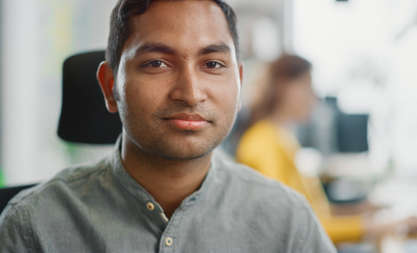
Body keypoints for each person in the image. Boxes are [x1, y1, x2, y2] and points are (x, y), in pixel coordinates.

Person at [0, 1, 336, 252]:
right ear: (109, 87)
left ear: (239, 82)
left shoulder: (288, 222)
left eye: (213, 64)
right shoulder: (34, 226)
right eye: (156, 63)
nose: (190, 93)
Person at [236, 54, 417, 244]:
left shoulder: (279, 138)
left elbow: (312, 212)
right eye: (308, 86)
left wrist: (363, 209)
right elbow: (296, 225)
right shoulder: (265, 144)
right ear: (286, 88)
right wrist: (383, 225)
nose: (314, 96)